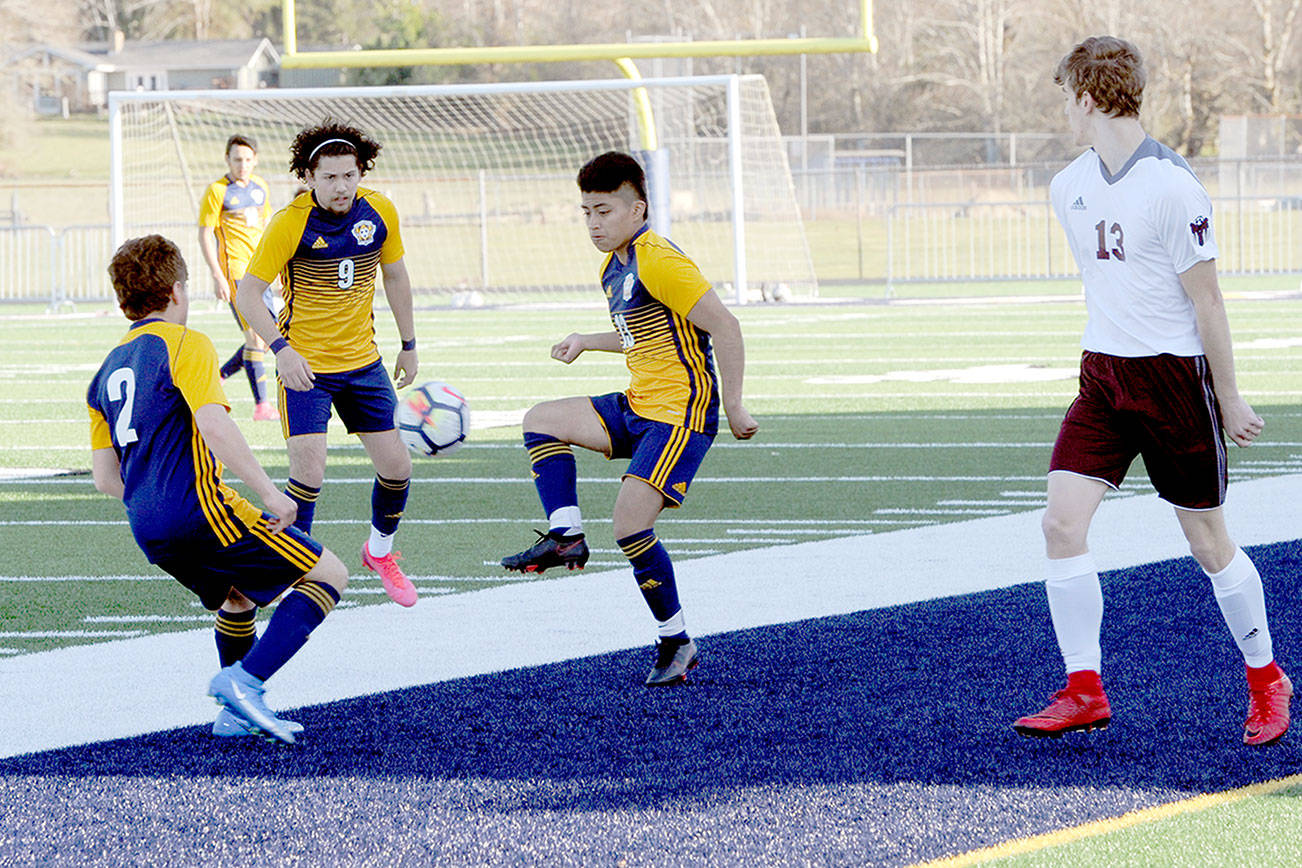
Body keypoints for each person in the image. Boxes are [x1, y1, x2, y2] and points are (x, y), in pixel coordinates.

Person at [1013, 36, 1291, 746]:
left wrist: (1228, 396)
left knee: (1208, 542)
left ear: (1085, 97)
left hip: (1173, 381)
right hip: (1103, 376)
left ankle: (1266, 678)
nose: (1063, 113)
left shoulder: (1172, 186)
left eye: (1064, 97)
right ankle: (1084, 688)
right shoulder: (1067, 185)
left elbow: (1210, 302)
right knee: (1060, 524)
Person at [499, 151, 759, 686]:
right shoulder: (612, 265)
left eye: (605, 211)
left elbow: (726, 327)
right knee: (541, 419)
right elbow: (640, 334)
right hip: (639, 405)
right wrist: (586, 341)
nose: (594, 223)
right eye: (586, 212)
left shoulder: (659, 259)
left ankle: (676, 640)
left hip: (681, 415)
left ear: (637, 208)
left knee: (629, 524)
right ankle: (565, 536)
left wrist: (733, 405)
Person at [88, 235, 349, 745]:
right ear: (177, 291)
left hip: (146, 525)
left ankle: (234, 716)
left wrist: (153, 495)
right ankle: (245, 682)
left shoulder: (103, 373)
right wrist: (271, 494)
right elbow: (214, 425)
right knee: (329, 575)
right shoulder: (186, 343)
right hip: (200, 511)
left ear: (124, 300)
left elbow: (105, 479)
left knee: (236, 598)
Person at [235, 120, 420, 608]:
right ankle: (299, 571)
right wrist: (281, 350)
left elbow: (396, 276)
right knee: (309, 475)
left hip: (364, 364)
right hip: (306, 369)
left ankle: (379, 553)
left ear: (361, 173)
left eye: (349, 175)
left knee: (398, 468)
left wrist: (409, 343)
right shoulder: (289, 222)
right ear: (310, 176)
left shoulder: (380, 210)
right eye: (330, 176)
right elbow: (247, 293)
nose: (341, 186)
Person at [197, 133, 279, 421]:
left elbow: (267, 230)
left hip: (262, 273)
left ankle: (219, 375)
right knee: (256, 337)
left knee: (269, 338)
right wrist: (218, 275)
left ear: (255, 160)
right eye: (236, 160)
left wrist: (277, 267)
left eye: (247, 159)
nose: (242, 165)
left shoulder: (261, 188)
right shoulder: (217, 191)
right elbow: (206, 233)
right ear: (227, 160)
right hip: (236, 274)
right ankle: (262, 406)